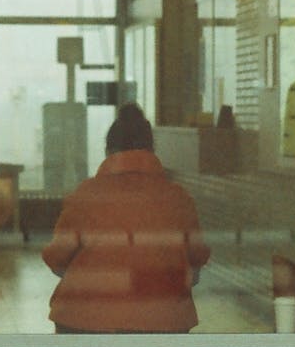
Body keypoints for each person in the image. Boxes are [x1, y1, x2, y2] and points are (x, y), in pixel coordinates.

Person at [41, 103, 210, 333]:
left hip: (86, 322)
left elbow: (57, 259)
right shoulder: (177, 197)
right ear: (151, 151)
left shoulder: (88, 194)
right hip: (164, 322)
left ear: (109, 152)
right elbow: (197, 260)